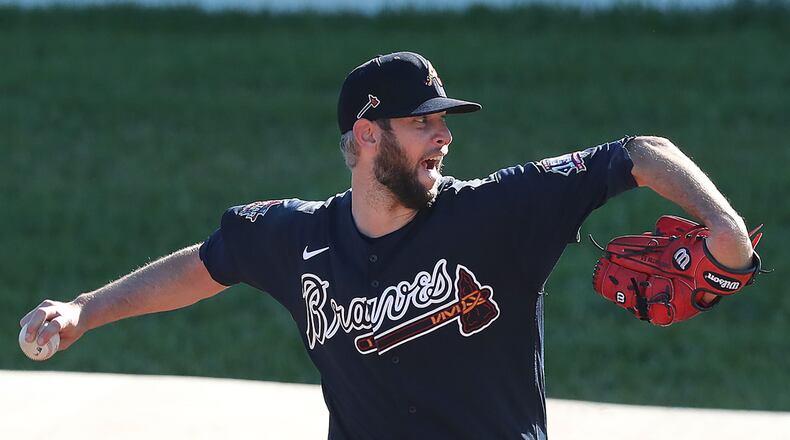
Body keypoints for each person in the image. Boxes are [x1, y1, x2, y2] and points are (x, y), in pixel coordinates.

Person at [20, 51, 756, 439]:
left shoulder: (499, 213)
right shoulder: (296, 238)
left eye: (445, 121)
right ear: (367, 136)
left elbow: (640, 151)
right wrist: (85, 311)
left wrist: (723, 232)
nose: (445, 134)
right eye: (423, 122)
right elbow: (206, 265)